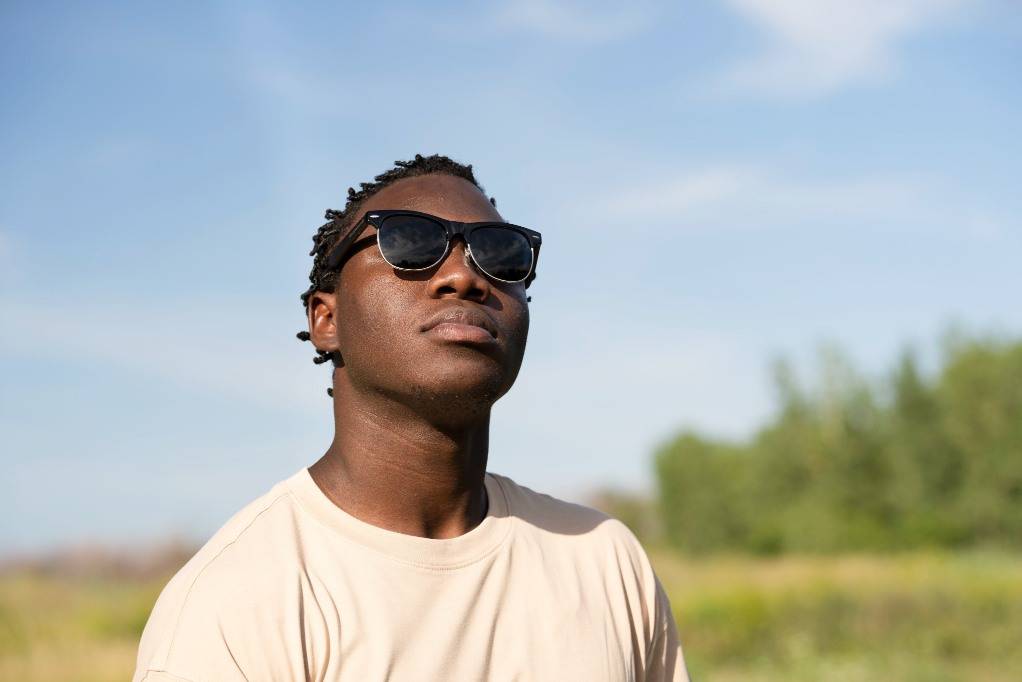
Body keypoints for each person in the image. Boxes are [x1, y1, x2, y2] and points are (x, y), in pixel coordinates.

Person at [133, 154, 690, 681]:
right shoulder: (238, 601)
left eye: (501, 255)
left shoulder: (601, 558)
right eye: (410, 243)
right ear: (326, 319)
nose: (466, 278)